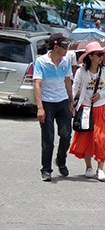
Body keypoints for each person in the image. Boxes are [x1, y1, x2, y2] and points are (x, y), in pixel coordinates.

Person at [69, 42, 105, 181]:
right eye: (98, 54)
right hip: (85, 108)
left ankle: (100, 168)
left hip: (101, 108)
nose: (101, 57)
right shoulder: (81, 71)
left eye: (102, 54)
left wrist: (100, 94)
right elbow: (74, 88)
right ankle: (88, 167)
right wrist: (71, 103)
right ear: (90, 56)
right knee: (86, 138)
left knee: (101, 139)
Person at [33, 33, 74, 181]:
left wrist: (71, 101)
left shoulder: (66, 61)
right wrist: (40, 107)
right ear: (56, 46)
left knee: (66, 134)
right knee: (48, 139)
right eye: (64, 46)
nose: (66, 49)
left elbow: (68, 81)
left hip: (62, 101)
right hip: (47, 103)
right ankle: (46, 169)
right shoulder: (41, 62)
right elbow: (37, 84)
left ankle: (61, 160)